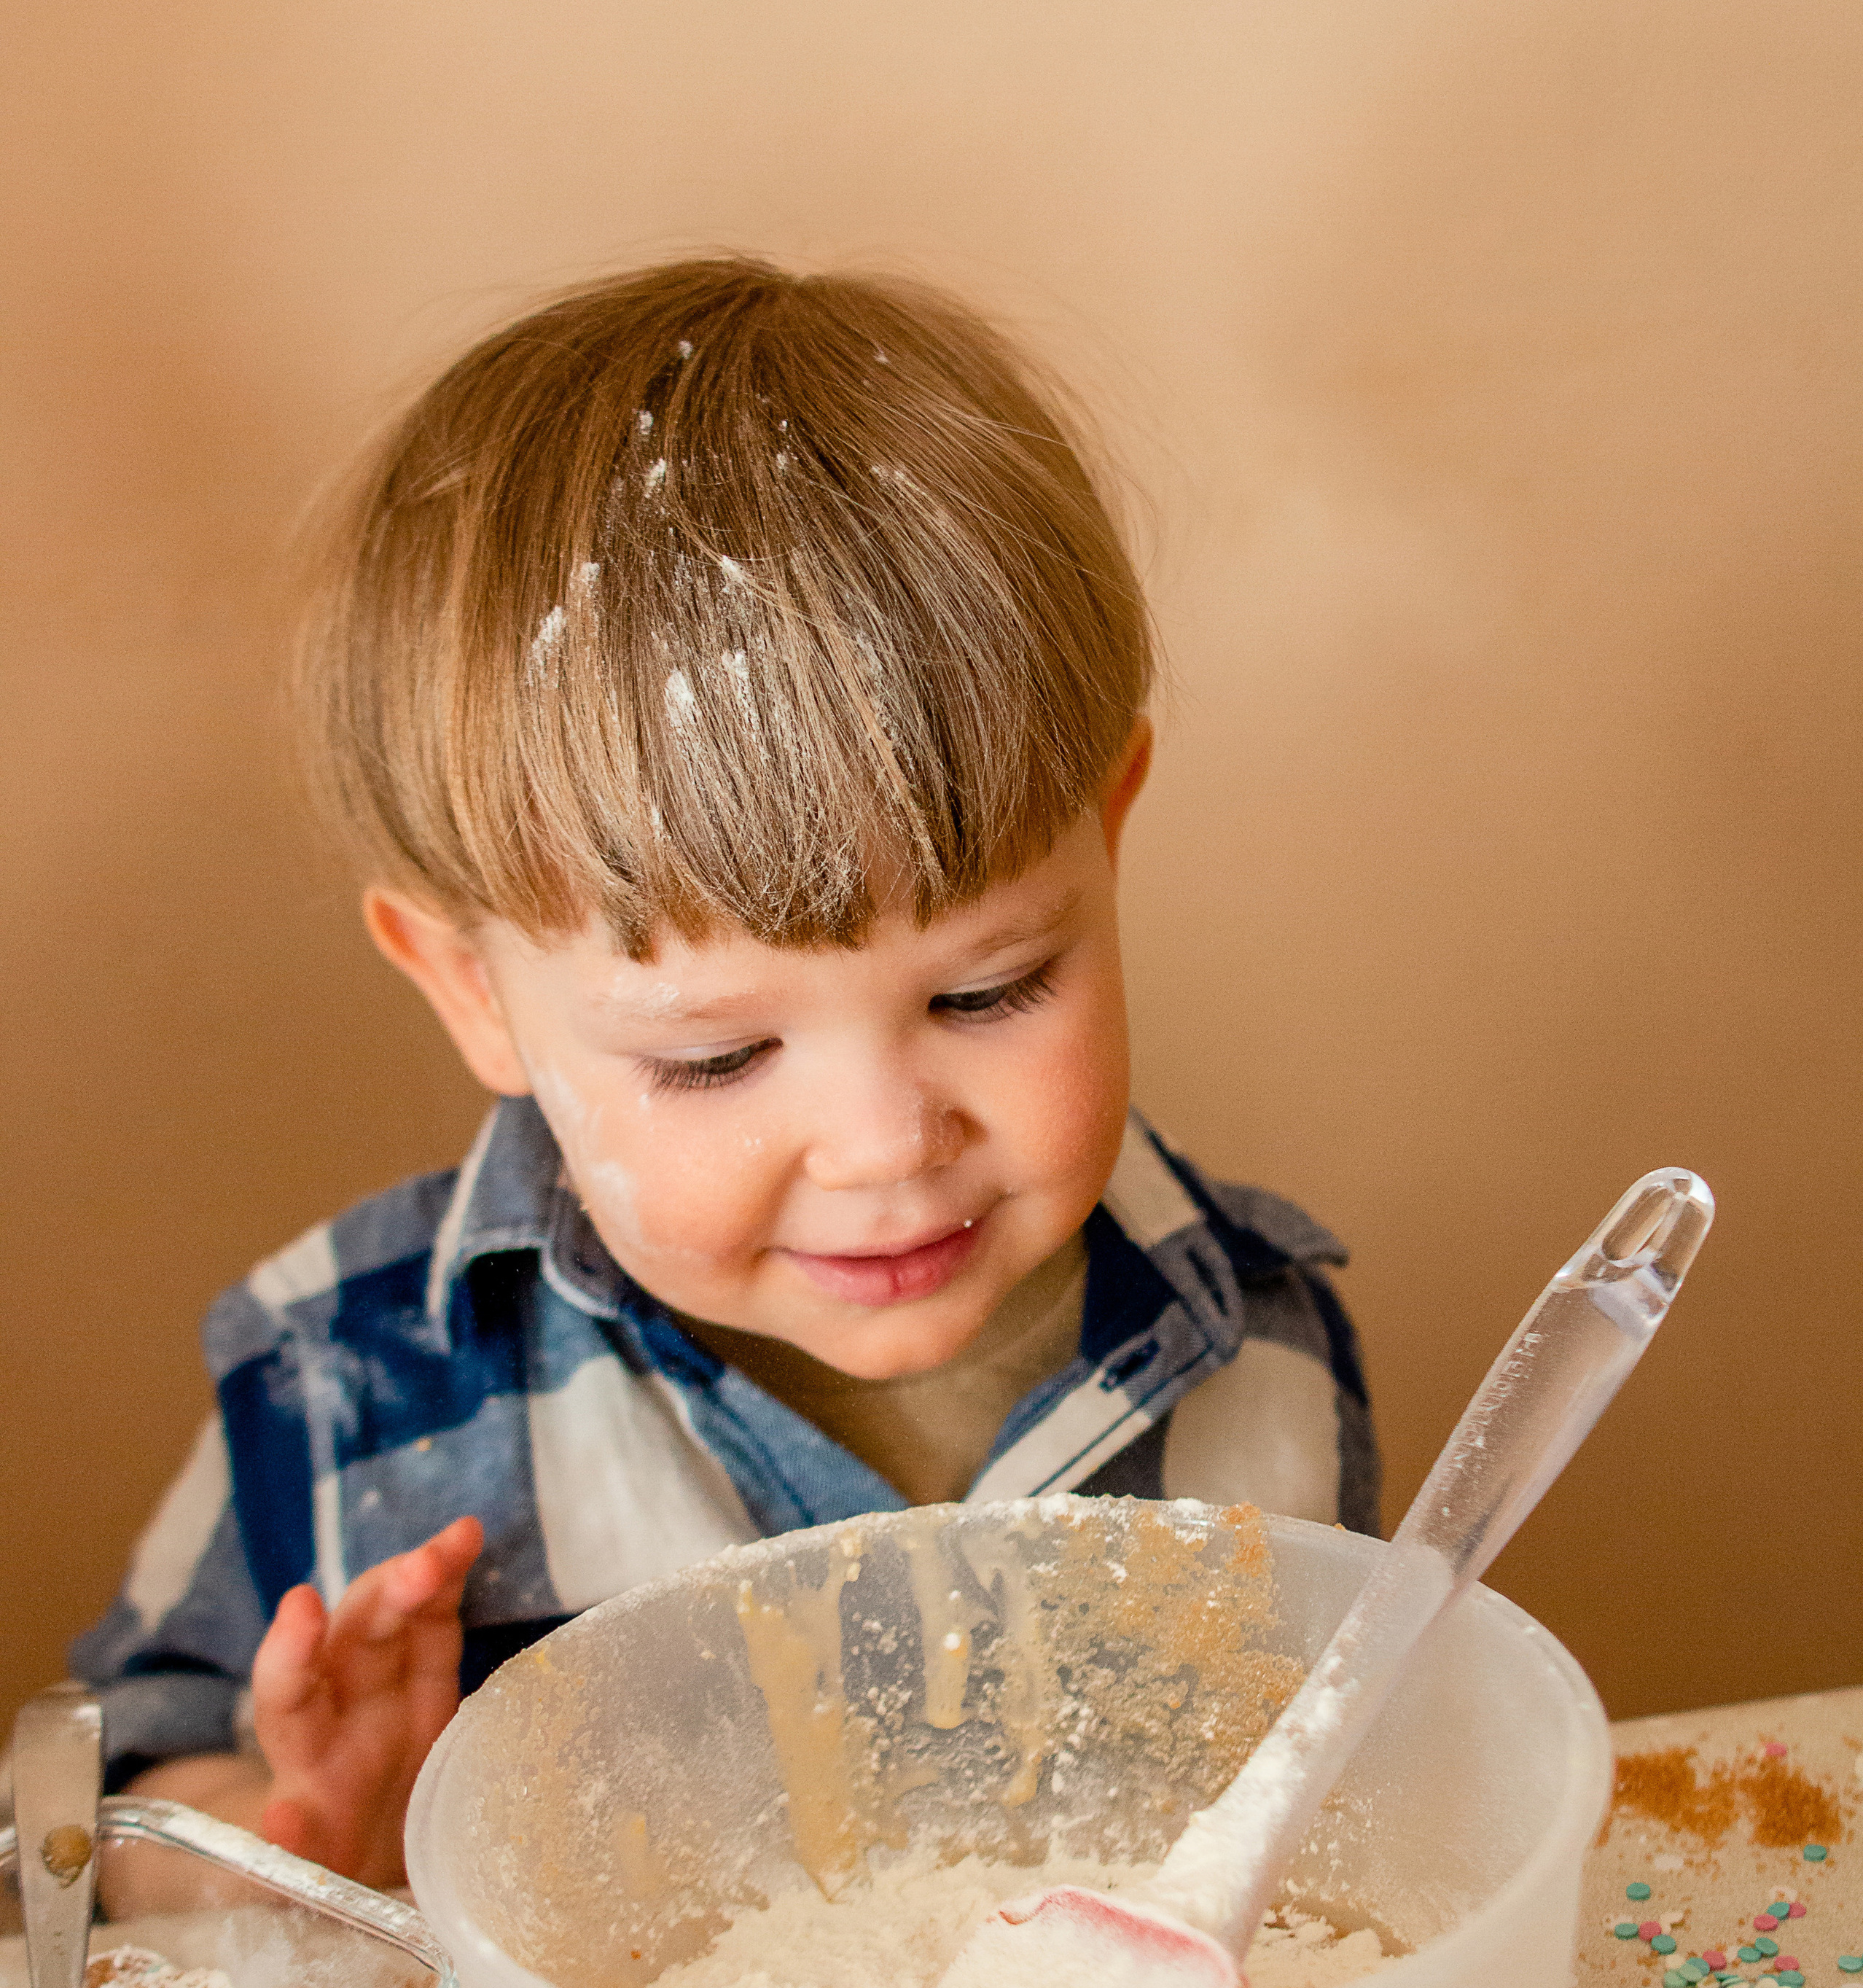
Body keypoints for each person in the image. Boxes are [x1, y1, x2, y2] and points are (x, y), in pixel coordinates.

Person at [72, 257, 1377, 1887]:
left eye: (988, 990)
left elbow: (1354, 1839)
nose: (884, 1144)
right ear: (472, 988)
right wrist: (292, 1844)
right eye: (718, 1058)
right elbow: (83, 1819)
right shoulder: (350, 1386)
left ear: (1108, 838)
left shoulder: (1261, 1349)